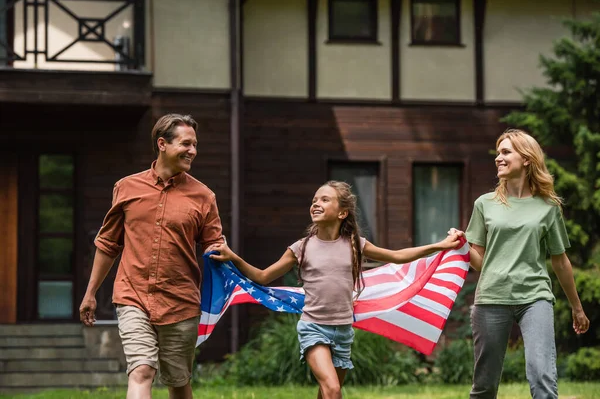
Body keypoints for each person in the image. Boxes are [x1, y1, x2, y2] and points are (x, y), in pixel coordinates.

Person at [208, 180, 461, 399]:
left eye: (325, 199)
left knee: (327, 392)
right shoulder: (301, 247)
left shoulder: (354, 244)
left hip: (343, 331)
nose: (316, 203)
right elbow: (263, 277)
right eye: (314, 200)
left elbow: (397, 256)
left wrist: (440, 245)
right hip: (313, 328)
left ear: (342, 213)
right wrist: (233, 258)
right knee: (333, 390)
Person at [79, 114, 225, 399]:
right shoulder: (126, 188)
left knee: (178, 381)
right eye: (186, 144)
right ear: (162, 144)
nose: (193, 151)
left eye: (195, 145)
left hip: (180, 302)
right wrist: (90, 293)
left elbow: (214, 245)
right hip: (132, 294)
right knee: (141, 370)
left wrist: (221, 253)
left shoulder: (203, 196)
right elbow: (109, 243)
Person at [450, 129, 590, 399]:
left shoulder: (548, 207)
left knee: (542, 378)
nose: (498, 159)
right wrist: (463, 246)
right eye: (497, 153)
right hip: (492, 296)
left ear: (526, 159)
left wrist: (577, 307)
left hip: (534, 297)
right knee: (485, 386)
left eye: (506, 152)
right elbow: (480, 262)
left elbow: (560, 261)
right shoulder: (485, 204)